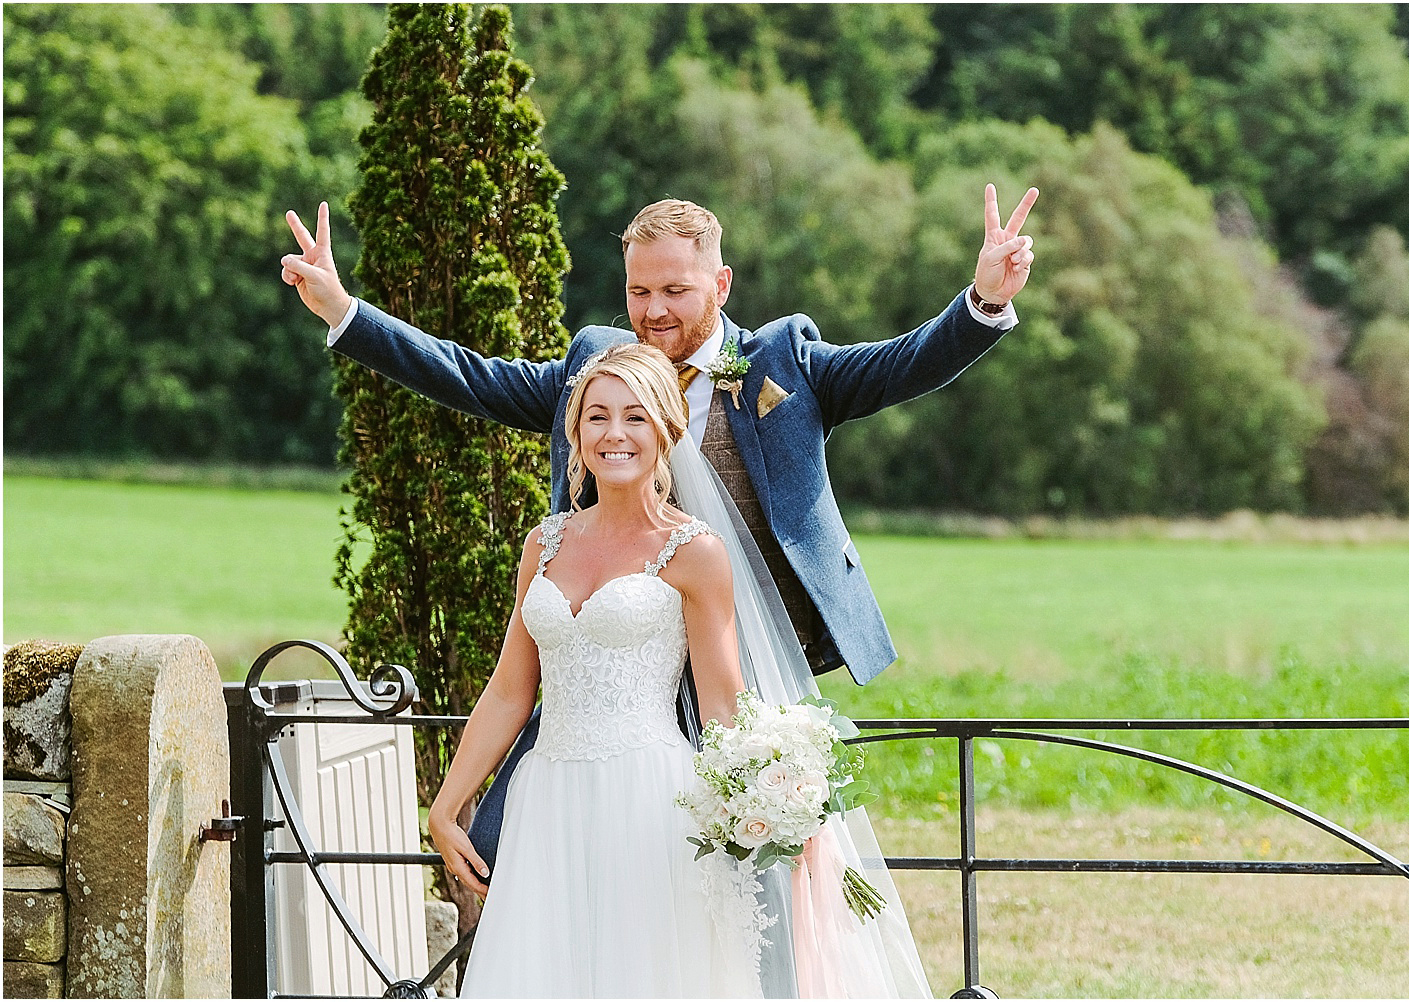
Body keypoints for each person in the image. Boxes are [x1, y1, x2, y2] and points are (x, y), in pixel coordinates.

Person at [281, 187, 1036, 862]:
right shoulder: (598, 366)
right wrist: (345, 312)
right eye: (639, 292)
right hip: (622, 656)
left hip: (752, 668)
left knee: (759, 867)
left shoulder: (785, 360)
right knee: (505, 843)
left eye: (676, 289)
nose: (654, 312)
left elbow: (902, 363)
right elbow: (472, 376)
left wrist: (983, 301)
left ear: (721, 283)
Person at [425, 343, 926, 997]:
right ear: (575, 431)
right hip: (545, 800)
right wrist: (447, 802)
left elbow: (724, 705)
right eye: (597, 416)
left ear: (665, 430)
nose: (614, 433)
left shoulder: (693, 552)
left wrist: (786, 797)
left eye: (634, 417)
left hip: (651, 800)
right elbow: (508, 693)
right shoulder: (543, 544)